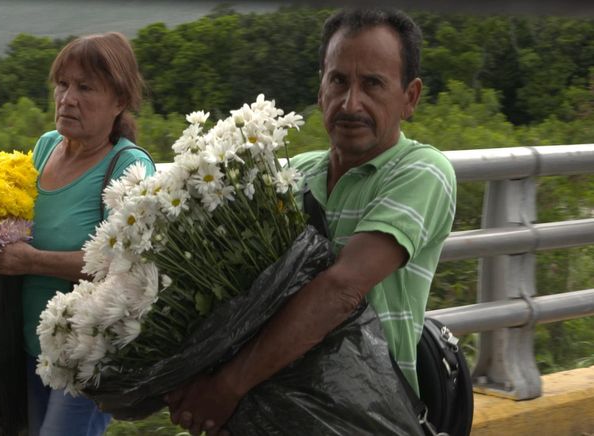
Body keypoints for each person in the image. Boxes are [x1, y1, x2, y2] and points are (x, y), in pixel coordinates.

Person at [166, 8, 456, 435]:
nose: (350, 102)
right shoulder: (292, 173)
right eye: (338, 80)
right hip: (264, 416)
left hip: (365, 416)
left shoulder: (421, 172)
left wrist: (227, 385)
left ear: (409, 97)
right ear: (320, 88)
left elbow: (342, 288)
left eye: (373, 84)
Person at [0, 32, 154, 436]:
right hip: (31, 349)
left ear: (120, 101)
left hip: (87, 357)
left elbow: (129, 274)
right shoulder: (47, 146)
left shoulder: (129, 166)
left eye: (85, 87)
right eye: (63, 84)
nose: (67, 98)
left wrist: (32, 261)